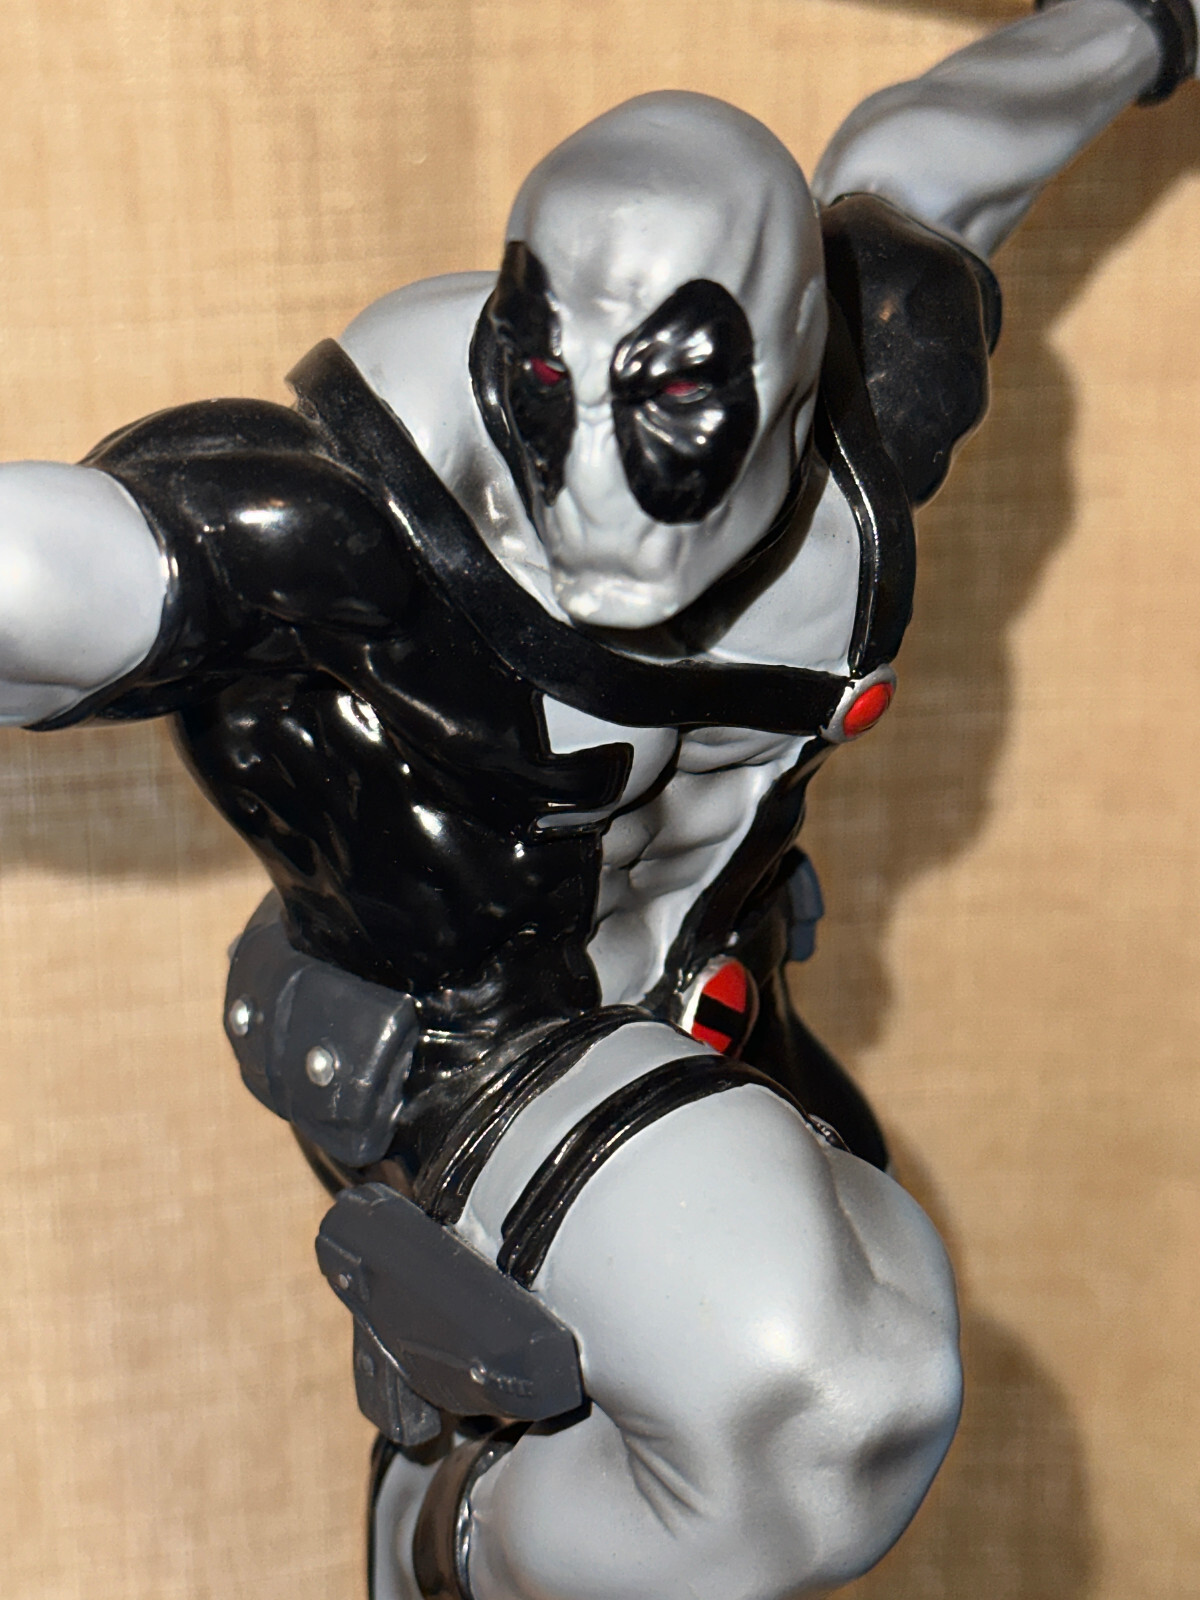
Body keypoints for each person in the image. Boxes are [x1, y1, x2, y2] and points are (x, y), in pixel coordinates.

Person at [0, 1, 1192, 1595]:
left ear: (789, 361)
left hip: (722, 1016)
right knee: (825, 1406)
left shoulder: (869, 392)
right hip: (468, 1050)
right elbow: (70, 570)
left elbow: (937, 161)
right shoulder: (331, 542)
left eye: (672, 396)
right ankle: (443, 1549)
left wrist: (1139, 26)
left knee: (884, 1344)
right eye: (549, 378)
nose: (589, 484)